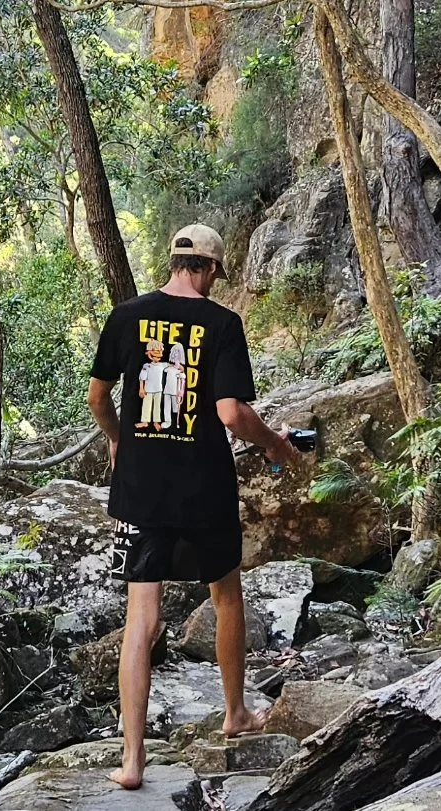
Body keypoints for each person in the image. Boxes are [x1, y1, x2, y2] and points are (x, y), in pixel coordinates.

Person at [87, 223, 301, 790]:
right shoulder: (223, 324)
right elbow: (231, 413)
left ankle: (132, 762)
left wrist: (117, 439)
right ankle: (235, 714)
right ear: (208, 269)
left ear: (175, 261)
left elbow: (99, 397)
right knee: (226, 594)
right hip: (204, 484)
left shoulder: (127, 315)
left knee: (143, 620)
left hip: (142, 487)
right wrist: (277, 445)